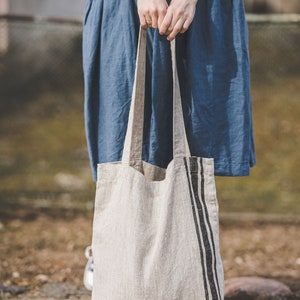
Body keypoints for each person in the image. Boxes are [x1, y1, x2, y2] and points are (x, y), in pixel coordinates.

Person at [82, 0, 256, 292]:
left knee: (197, 121)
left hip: (202, 10)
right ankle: (113, 245)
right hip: (124, 9)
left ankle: (186, 247)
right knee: (121, 117)